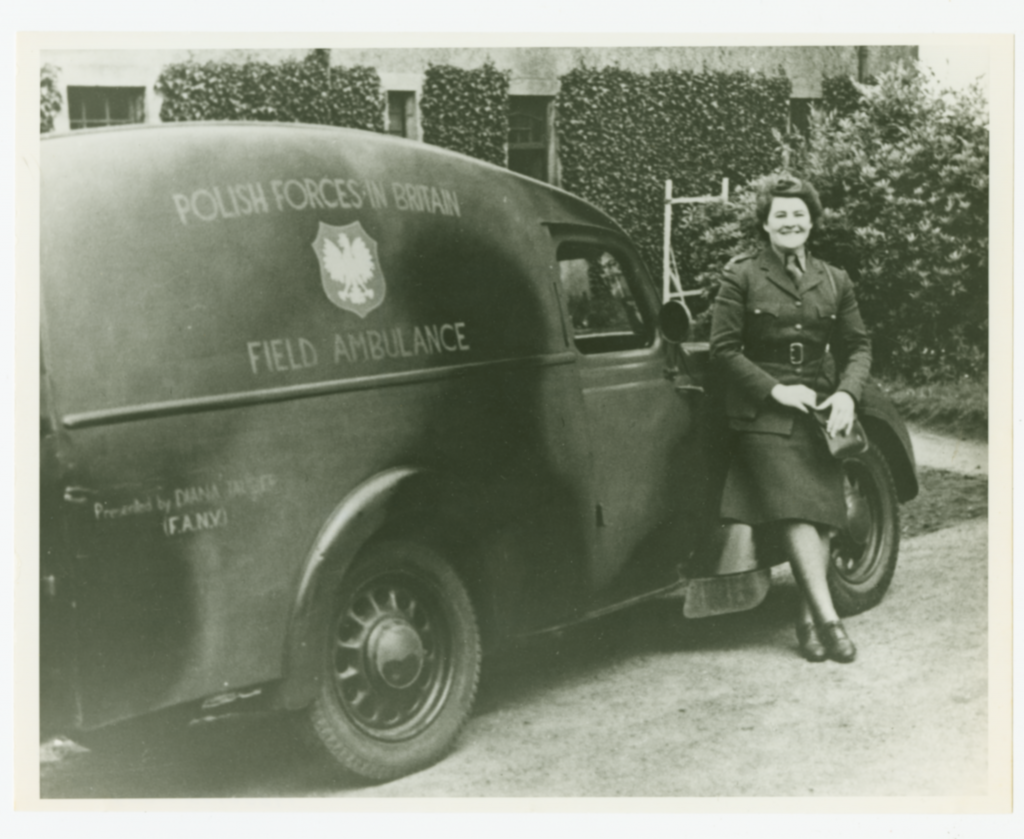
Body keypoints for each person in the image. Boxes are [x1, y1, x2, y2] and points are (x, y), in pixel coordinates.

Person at [709, 173, 872, 663]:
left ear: (812, 222)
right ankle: (829, 622)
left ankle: (805, 622)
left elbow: (859, 345)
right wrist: (777, 389)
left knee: (823, 514)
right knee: (800, 509)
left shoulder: (834, 278)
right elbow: (723, 350)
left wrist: (846, 394)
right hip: (761, 413)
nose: (790, 222)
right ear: (765, 222)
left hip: (819, 410)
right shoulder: (740, 275)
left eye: (799, 214)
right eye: (780, 214)